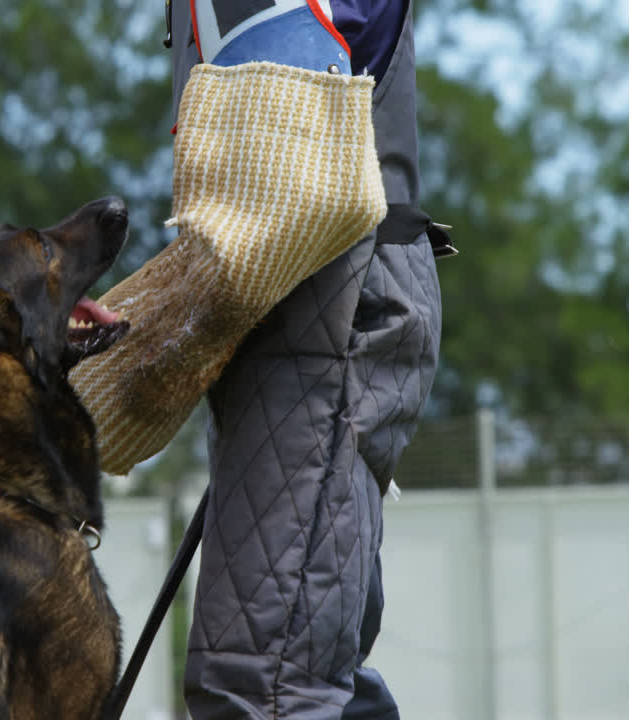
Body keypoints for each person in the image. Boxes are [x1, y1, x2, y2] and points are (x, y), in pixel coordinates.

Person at [170, 2, 443, 718]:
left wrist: (166, 324)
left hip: (320, 308)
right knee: (312, 674)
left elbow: (284, 186)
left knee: (264, 686)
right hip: (313, 310)